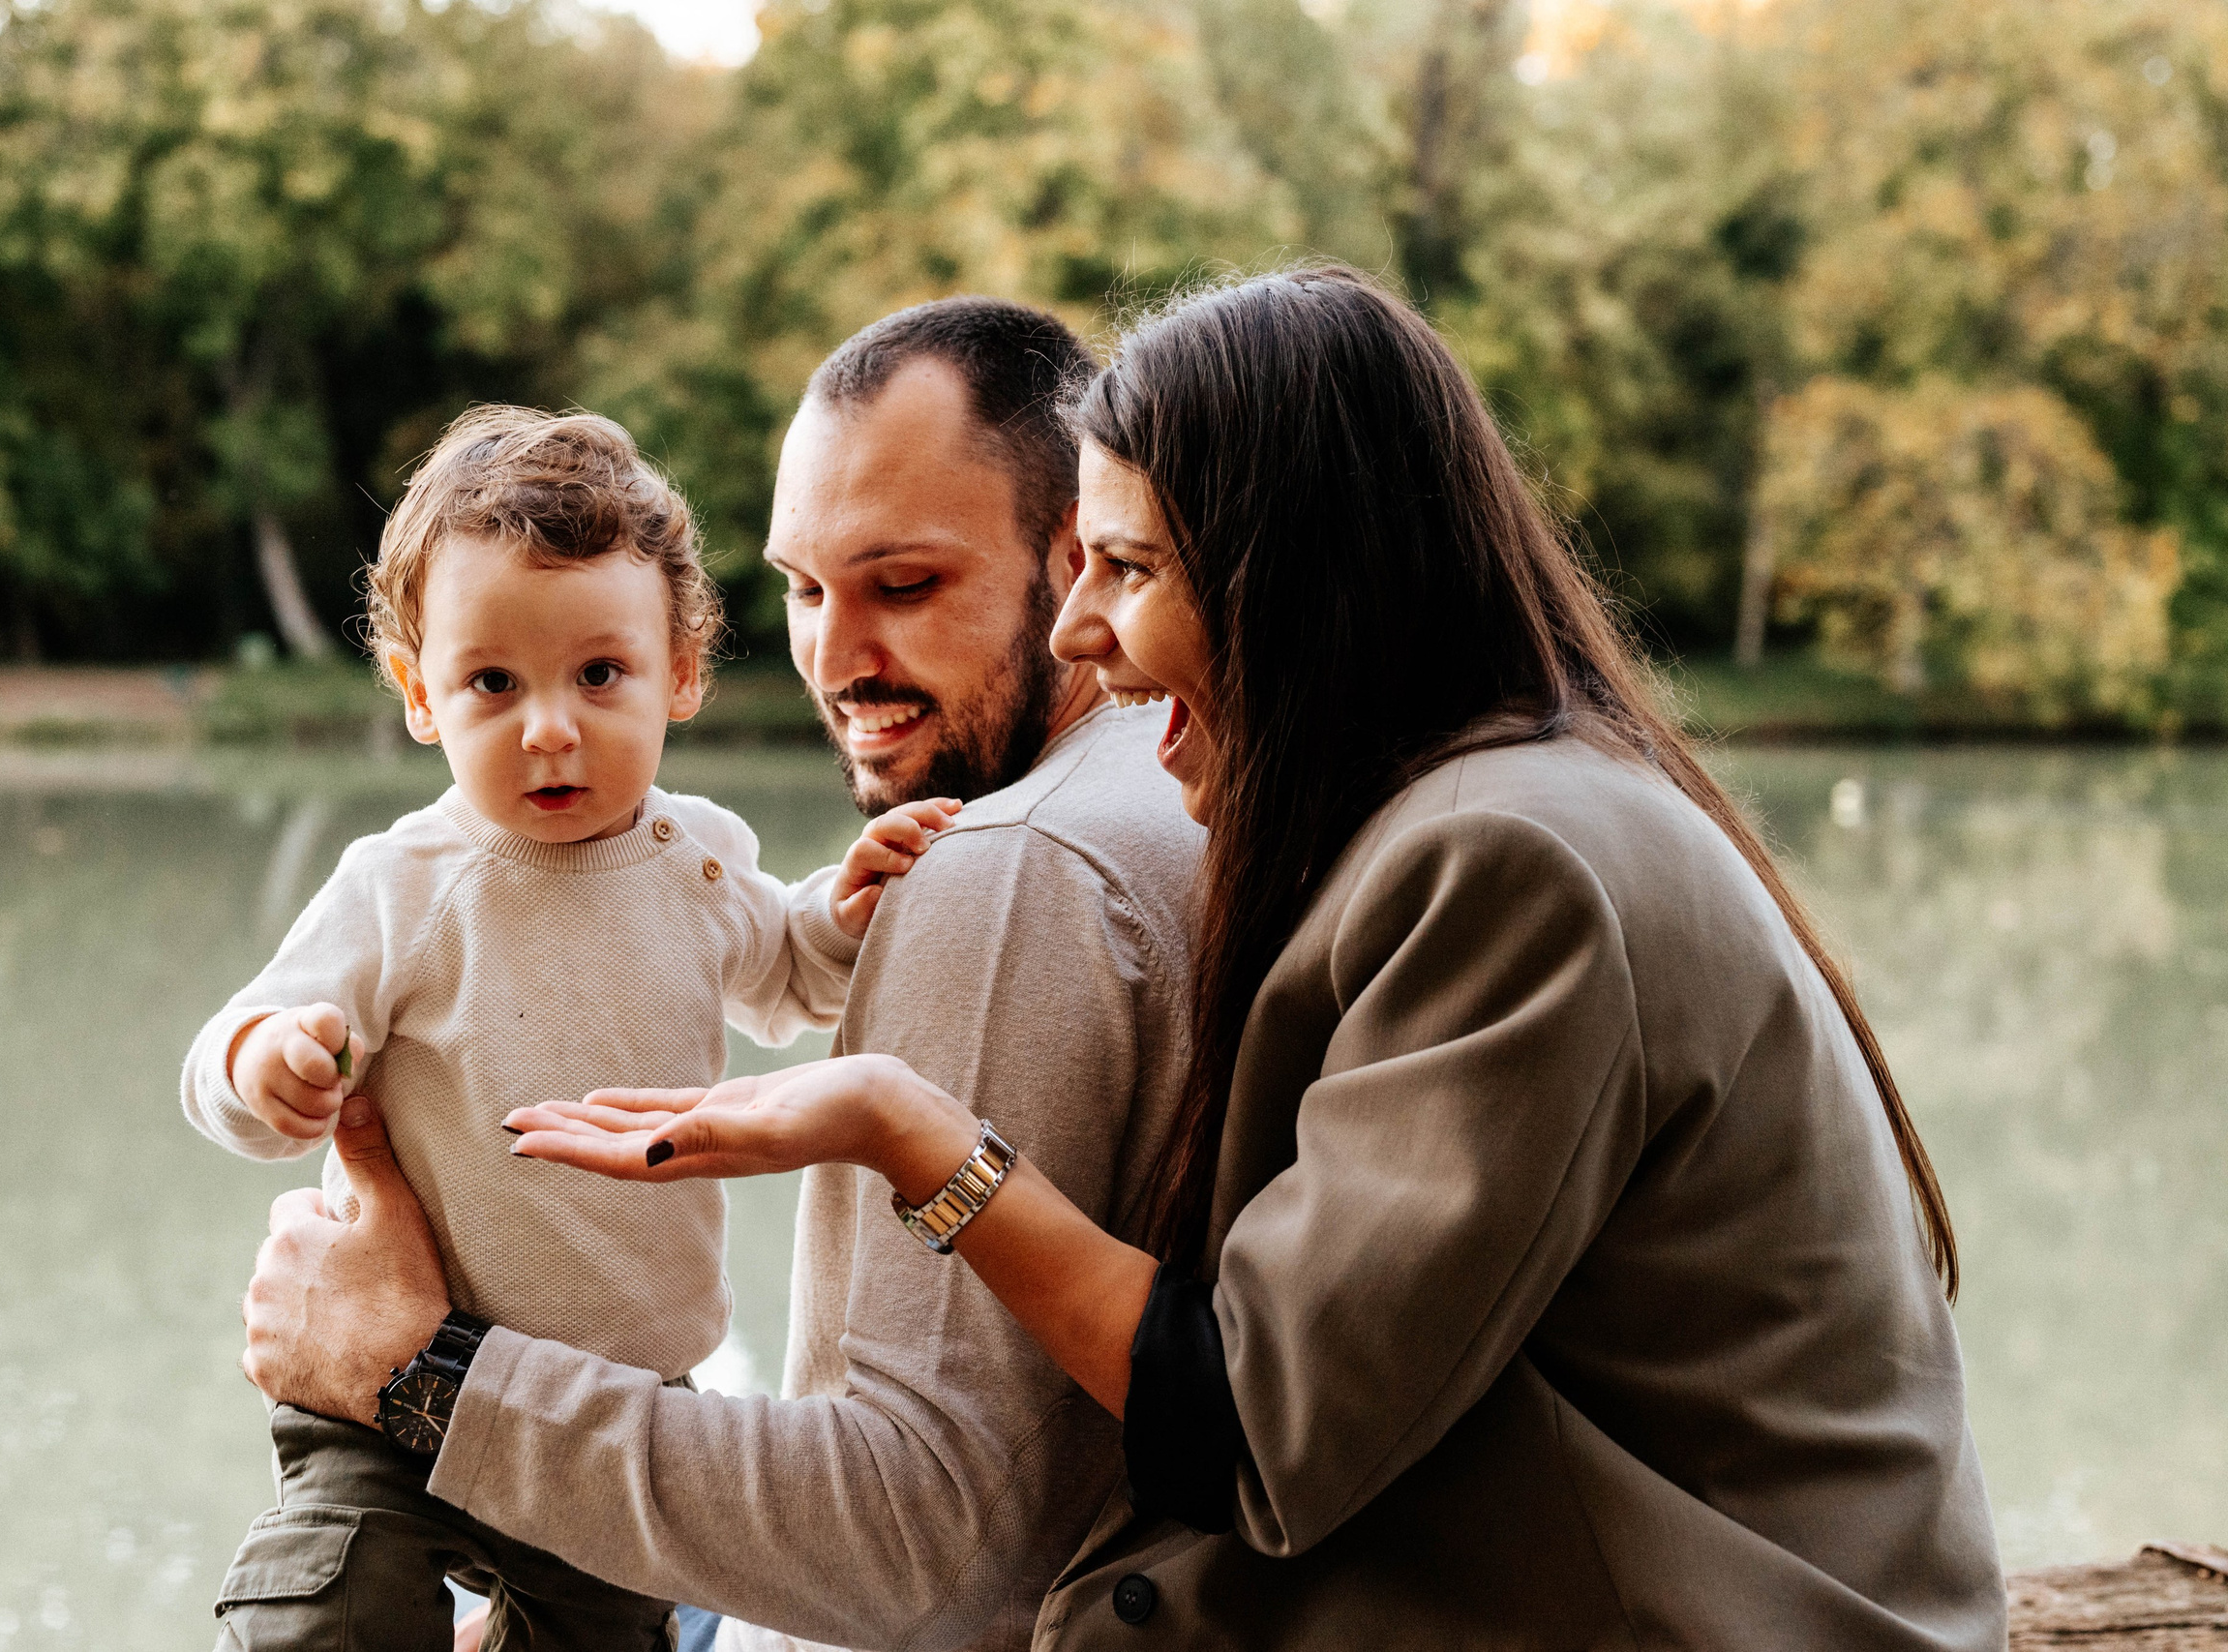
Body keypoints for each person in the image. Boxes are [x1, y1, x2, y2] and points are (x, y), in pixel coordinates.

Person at [509, 266, 2010, 1649]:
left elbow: (1251, 1427)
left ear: (1298, 578)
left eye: (1129, 566)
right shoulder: (1485, 800)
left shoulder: (1512, 862)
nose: (1085, 631)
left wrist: (911, 1133)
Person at [240, 300, 1206, 1652]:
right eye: (806, 588)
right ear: (422, 691)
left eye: (906, 583)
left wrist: (418, 1375)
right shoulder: (1181, 770)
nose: (835, 655)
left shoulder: (1011, 865)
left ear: (1080, 557)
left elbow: (931, 1548)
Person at [182, 405, 951, 1650]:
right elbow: (233, 1044)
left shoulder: (697, 859)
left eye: (600, 675)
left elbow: (789, 978)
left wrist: (848, 904)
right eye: (492, 682)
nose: (549, 727)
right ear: (417, 693)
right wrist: (261, 1066)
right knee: (329, 1607)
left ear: (683, 672)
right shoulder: (404, 886)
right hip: (387, 1394)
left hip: (619, 1405)